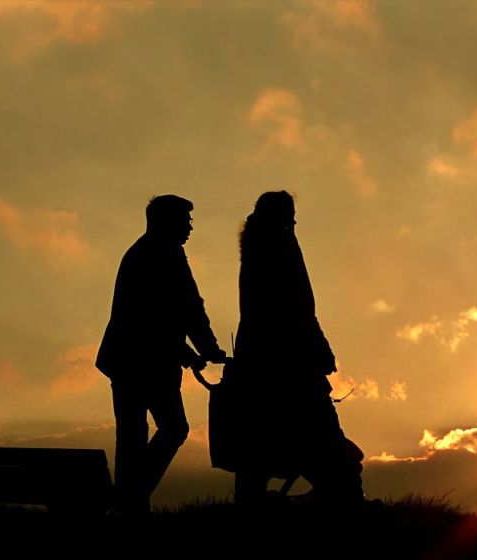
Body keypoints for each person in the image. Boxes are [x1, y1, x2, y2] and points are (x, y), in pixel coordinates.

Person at [233, 190, 365, 508]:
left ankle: (252, 499)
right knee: (315, 426)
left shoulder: (257, 244)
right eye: (289, 213)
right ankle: (343, 495)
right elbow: (297, 307)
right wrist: (317, 347)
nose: (293, 220)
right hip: (290, 357)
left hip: (265, 355)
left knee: (265, 430)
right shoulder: (278, 244)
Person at [97, 194, 227, 514]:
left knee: (131, 437)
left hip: (126, 359)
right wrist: (206, 350)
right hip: (146, 362)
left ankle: (129, 502)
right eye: (185, 220)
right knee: (173, 428)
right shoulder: (165, 255)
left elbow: (158, 317)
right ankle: (128, 496)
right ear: (167, 222)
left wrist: (192, 352)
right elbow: (182, 311)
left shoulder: (142, 253)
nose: (190, 227)